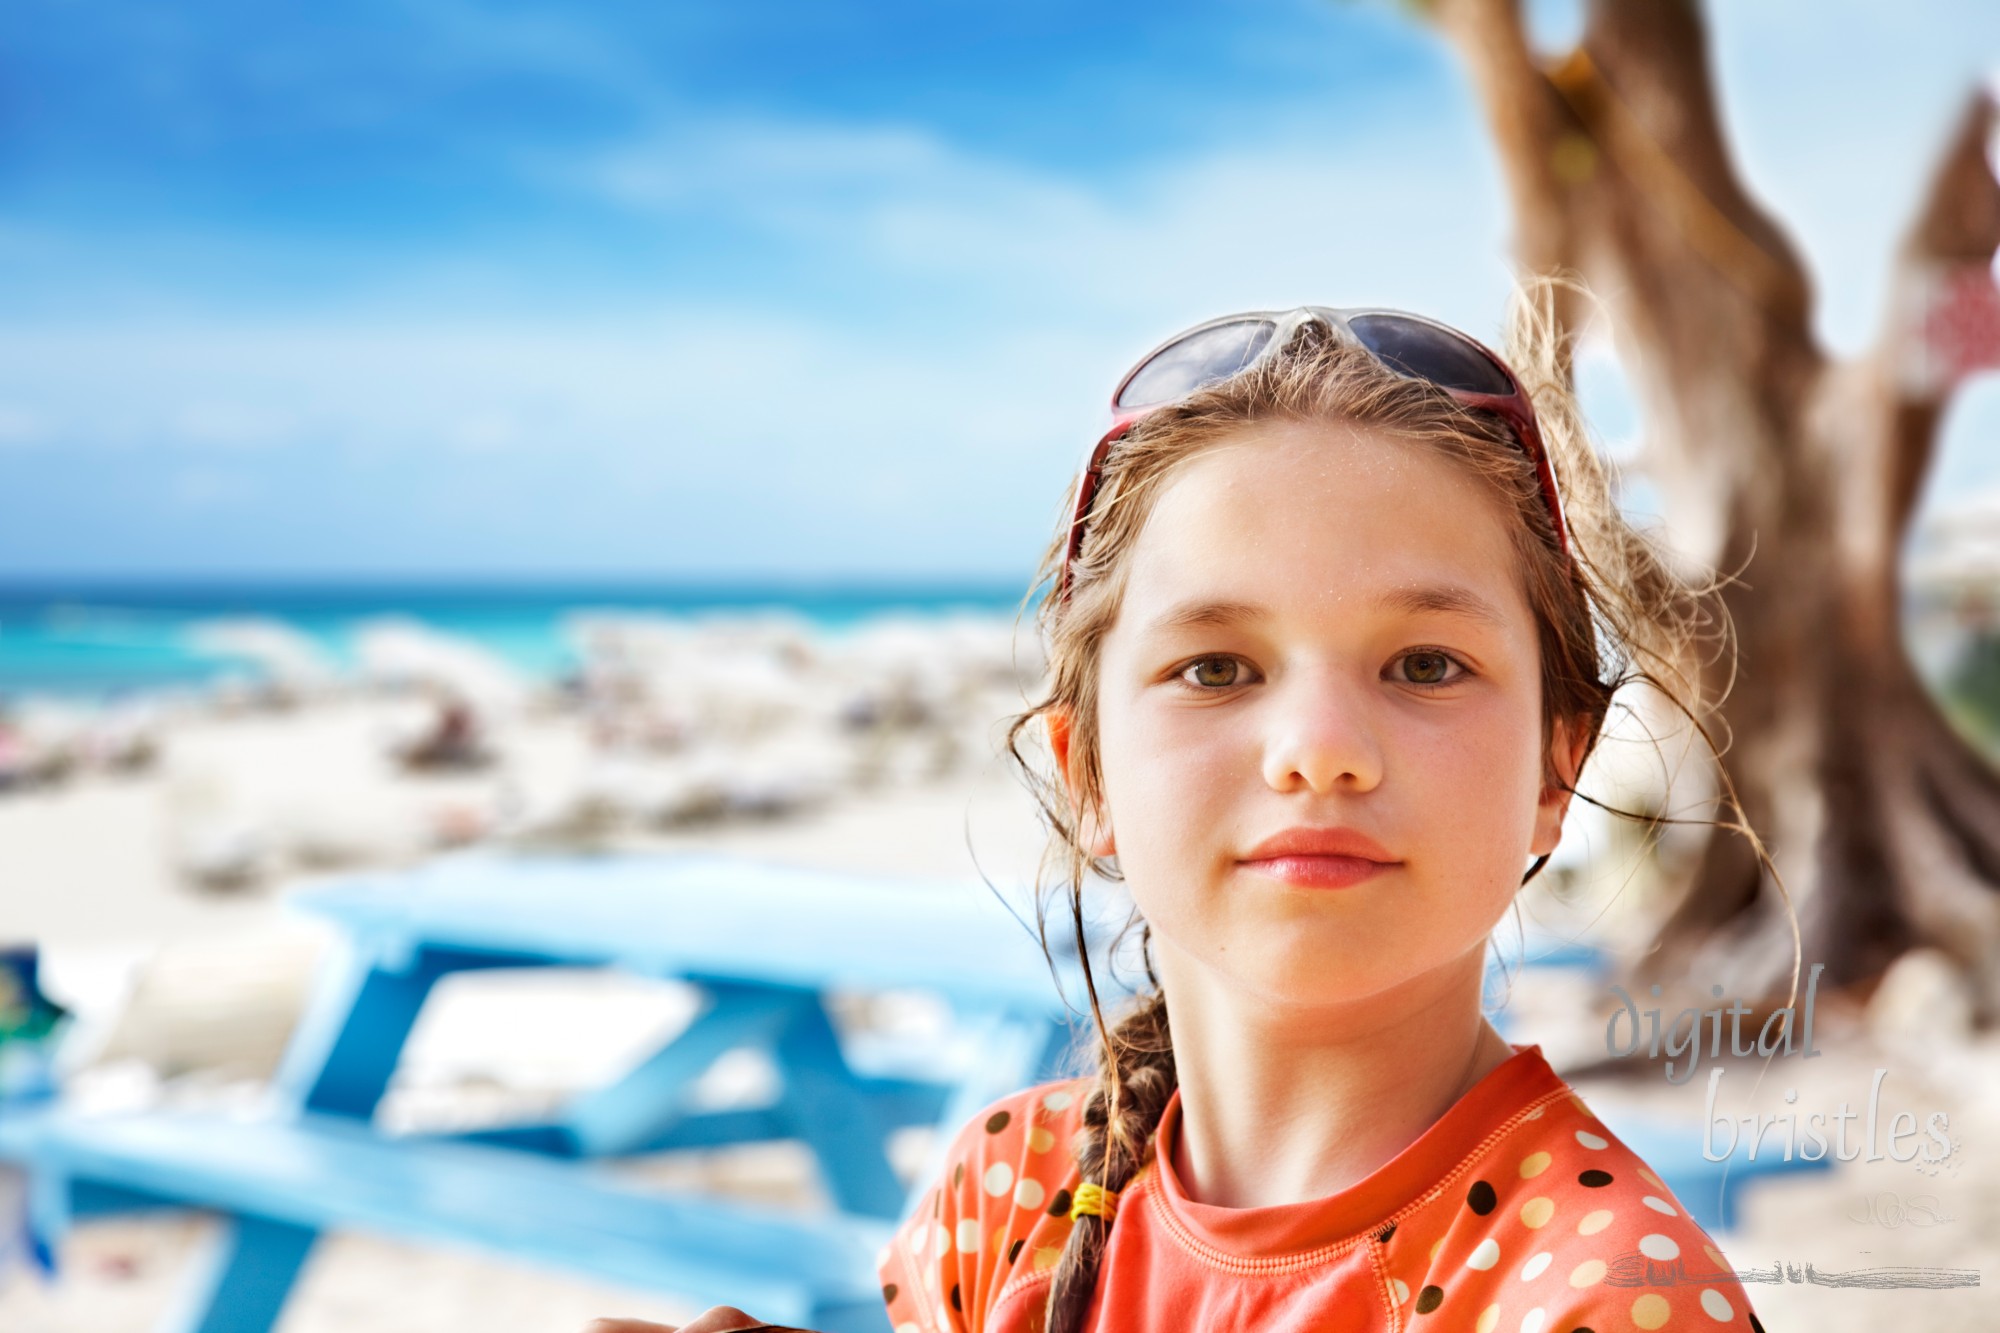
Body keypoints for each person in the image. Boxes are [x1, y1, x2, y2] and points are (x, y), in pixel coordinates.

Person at [586, 285, 1786, 1333]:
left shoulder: (1601, 1296)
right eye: (1215, 668)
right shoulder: (1010, 1190)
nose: (1319, 752)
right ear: (1087, 773)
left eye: (1423, 663)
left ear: (1552, 770)